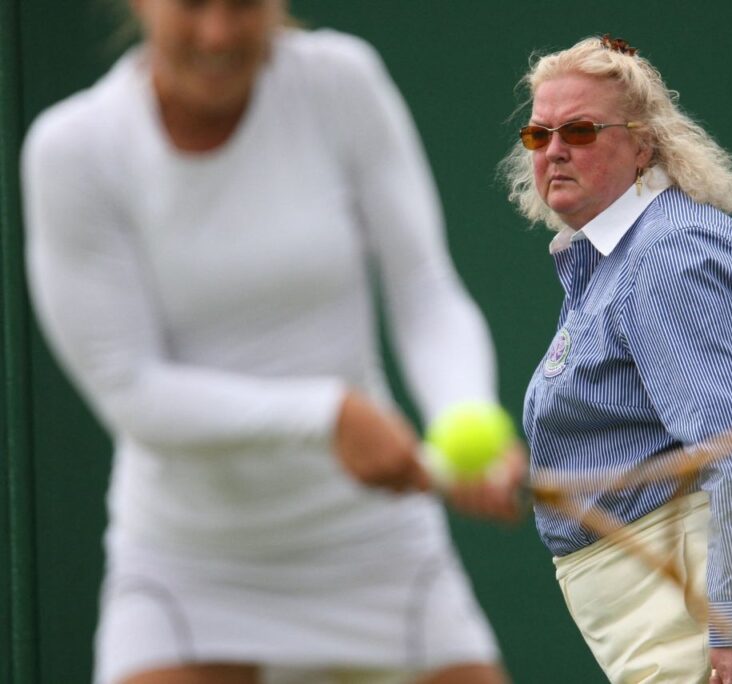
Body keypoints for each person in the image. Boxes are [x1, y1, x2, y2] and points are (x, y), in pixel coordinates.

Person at [20, 1, 524, 683]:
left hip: (375, 546)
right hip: (189, 565)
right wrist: (328, 415)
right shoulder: (74, 149)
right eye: (193, 4)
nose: (219, 32)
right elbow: (129, 390)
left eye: (244, 5)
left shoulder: (341, 82)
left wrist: (465, 415)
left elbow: (425, 289)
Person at [499, 34, 732, 684]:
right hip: (670, 586)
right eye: (538, 134)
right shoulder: (613, 260)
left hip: (713, 573)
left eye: (579, 130)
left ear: (644, 145)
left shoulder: (665, 256)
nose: (553, 150)